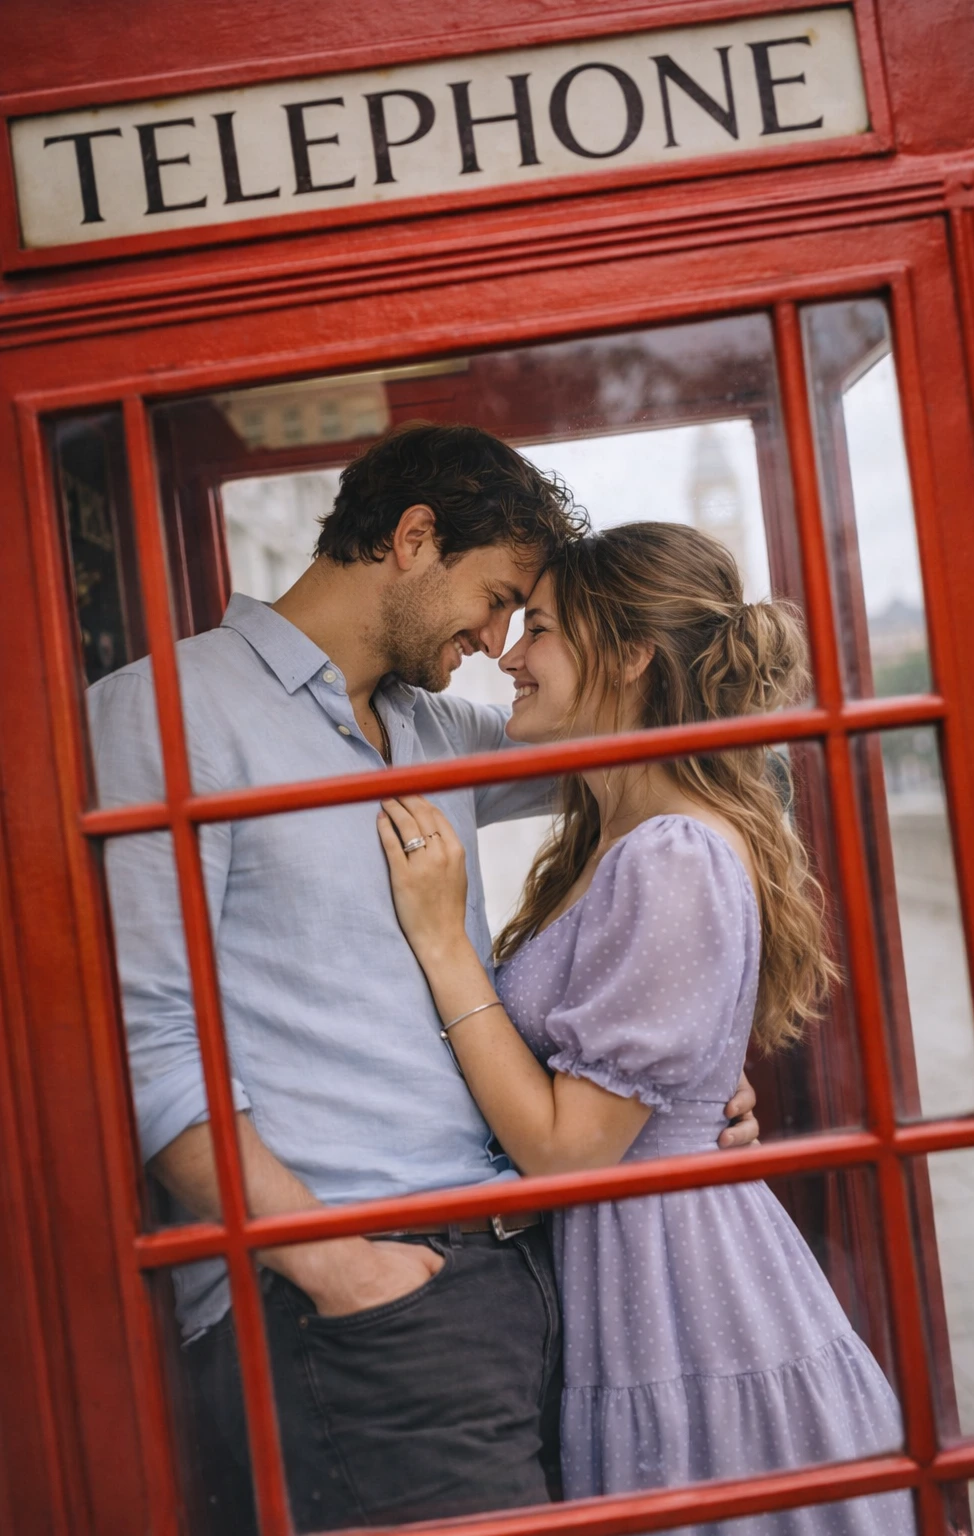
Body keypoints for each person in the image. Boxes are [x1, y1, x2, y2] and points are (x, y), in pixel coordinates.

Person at [88, 428, 760, 1535]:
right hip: (353, 1306)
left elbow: (664, 734)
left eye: (519, 620)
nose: (499, 643)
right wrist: (342, 1272)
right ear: (411, 541)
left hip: (522, 1272)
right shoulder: (164, 711)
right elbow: (145, 1049)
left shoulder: (432, 727)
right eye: (498, 599)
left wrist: (674, 1080)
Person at [378, 521, 914, 1536]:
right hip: (633, 1275)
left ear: (627, 658)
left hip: (683, 1294)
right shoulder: (612, 834)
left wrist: (443, 941)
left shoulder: (669, 853)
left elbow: (568, 1149)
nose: (511, 654)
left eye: (540, 628)